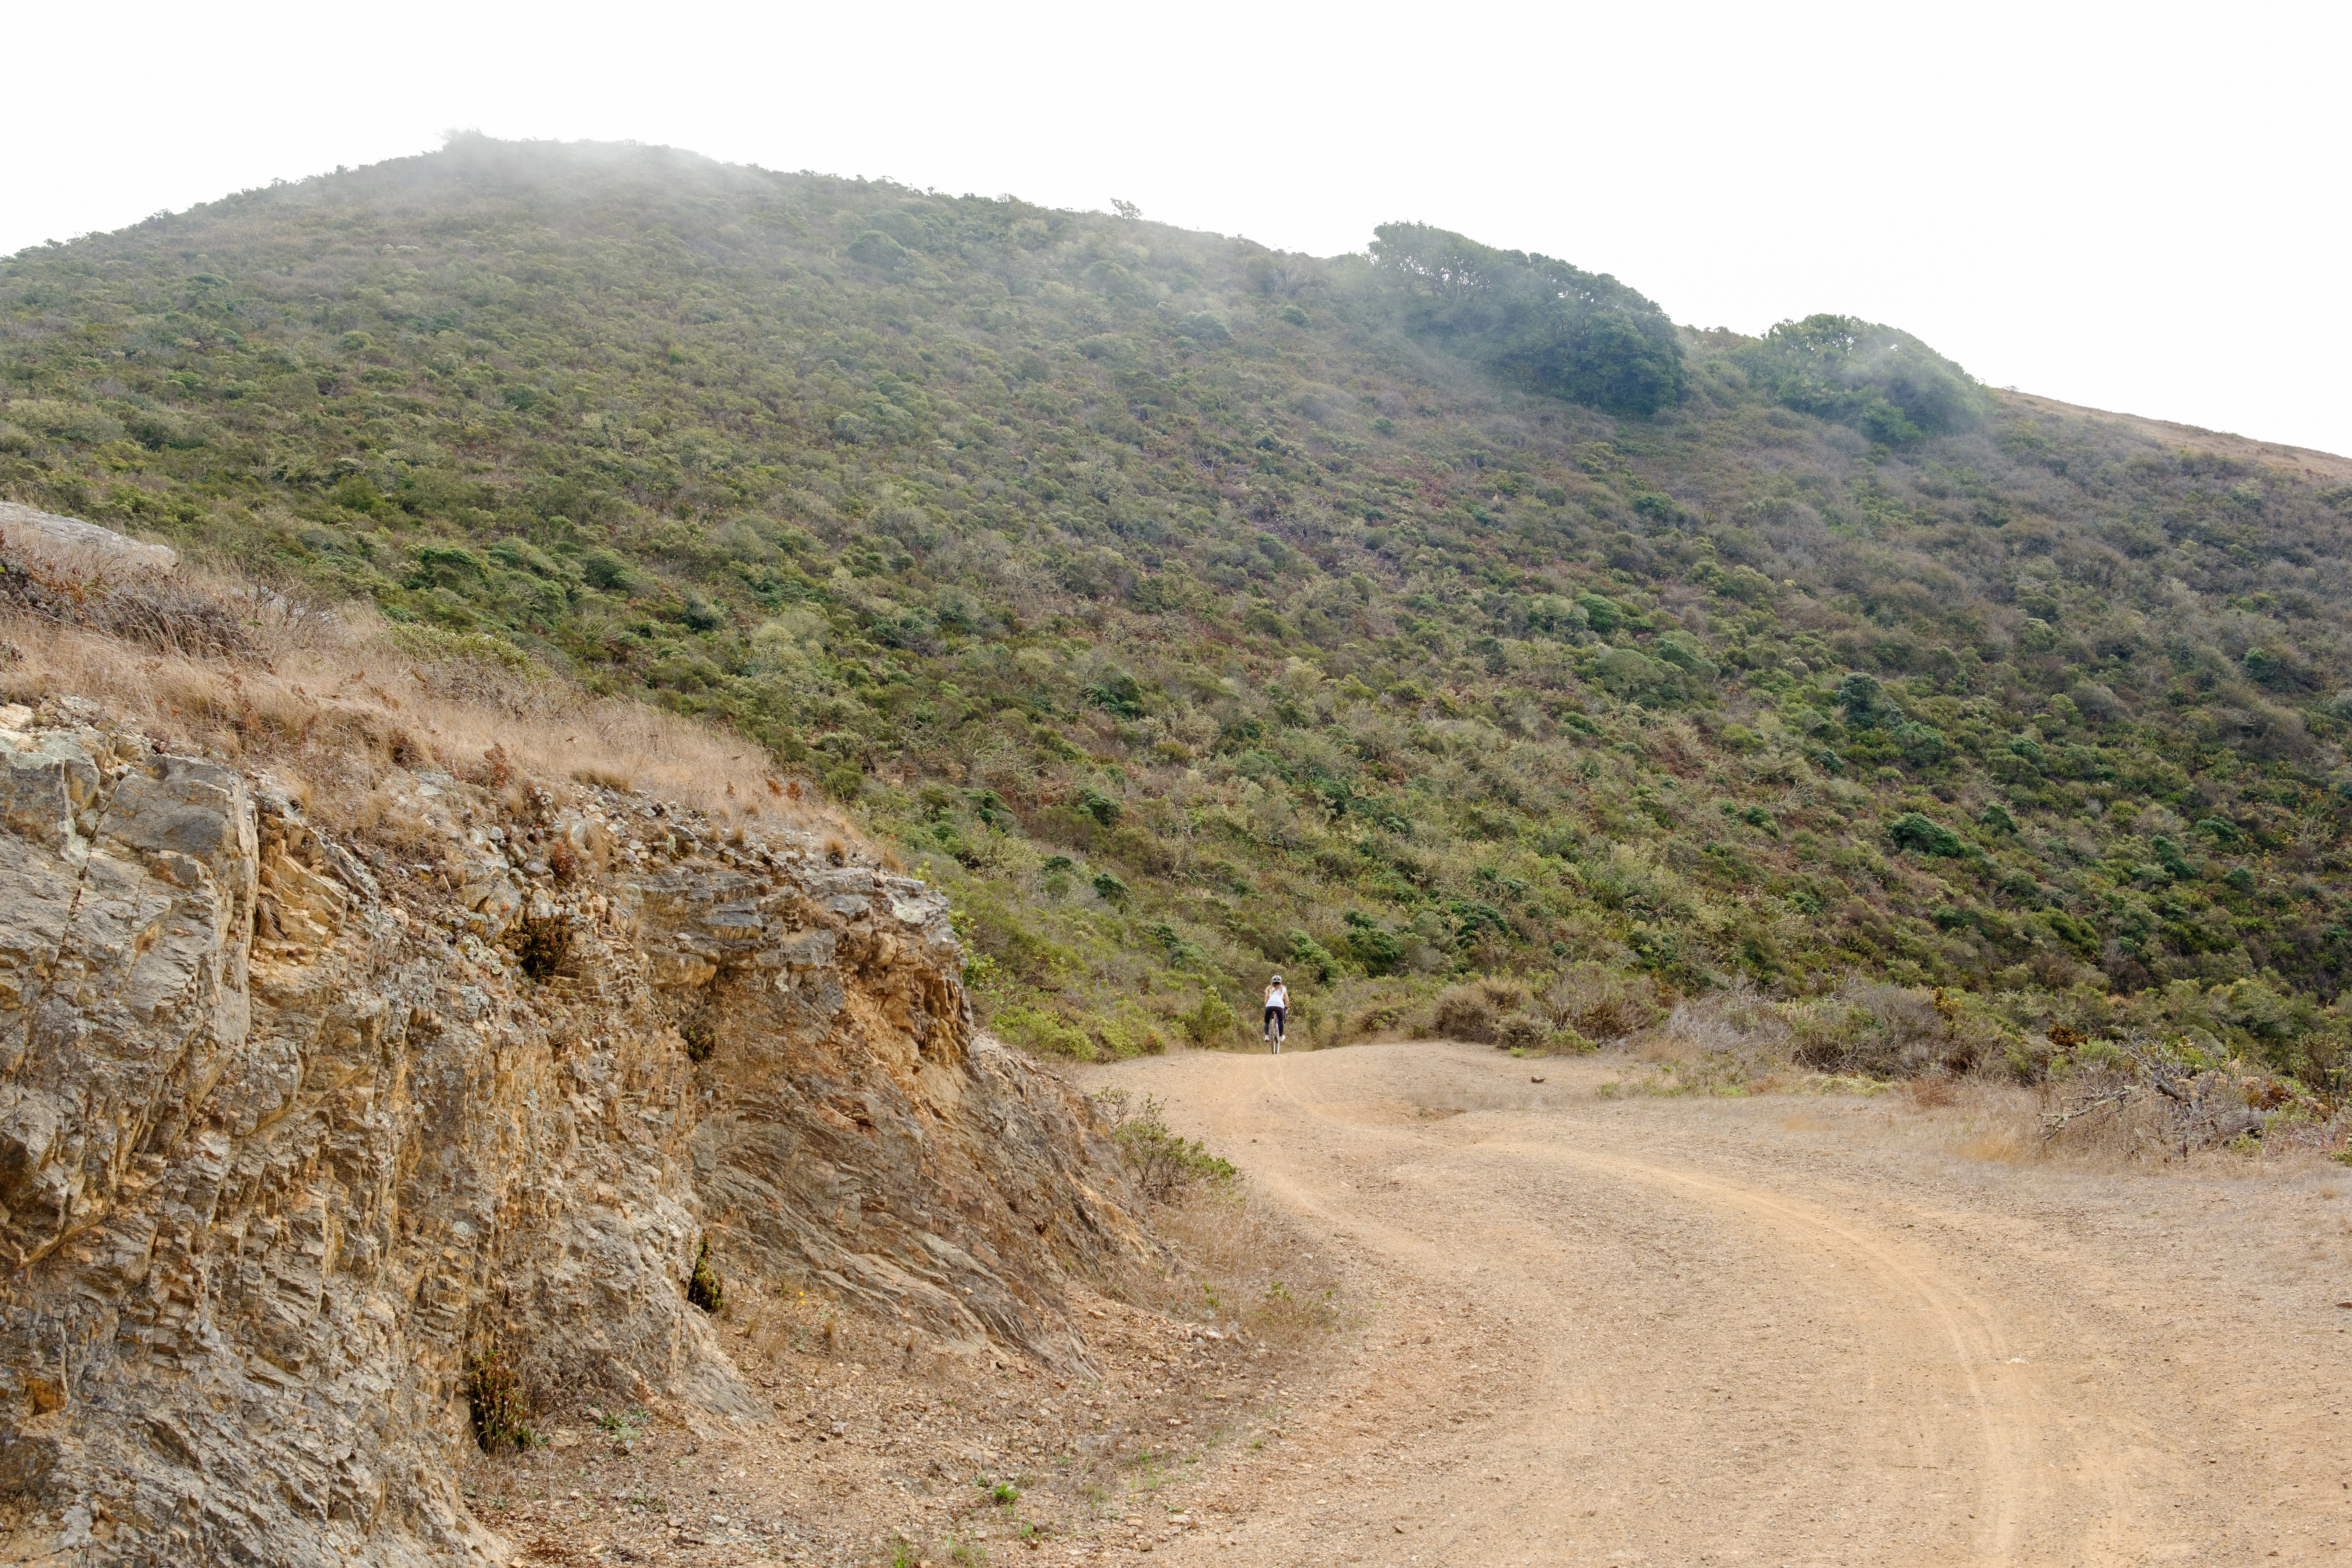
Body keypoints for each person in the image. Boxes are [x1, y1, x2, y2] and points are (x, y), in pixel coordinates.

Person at [1262, 974, 1289, 1053]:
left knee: (1267, 1022)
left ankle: (1267, 1036)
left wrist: (1266, 1006)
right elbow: (1287, 1000)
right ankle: (1281, 1037)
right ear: (1280, 982)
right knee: (1281, 1021)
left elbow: (1266, 1000)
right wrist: (1286, 1006)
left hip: (1269, 1006)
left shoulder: (1269, 989)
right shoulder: (1283, 989)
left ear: (1272, 982)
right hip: (1280, 1006)